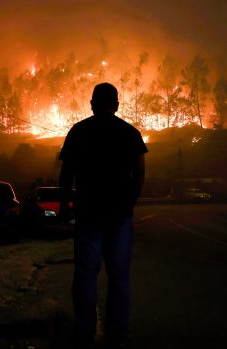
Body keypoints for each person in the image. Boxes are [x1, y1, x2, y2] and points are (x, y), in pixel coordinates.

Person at [58, 82, 147, 348]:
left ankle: (85, 331)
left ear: (93, 104)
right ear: (117, 105)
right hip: (119, 215)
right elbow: (140, 174)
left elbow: (67, 174)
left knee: (86, 274)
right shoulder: (130, 133)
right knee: (119, 276)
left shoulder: (79, 132)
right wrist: (129, 203)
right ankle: (117, 333)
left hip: (88, 213)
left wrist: (65, 205)